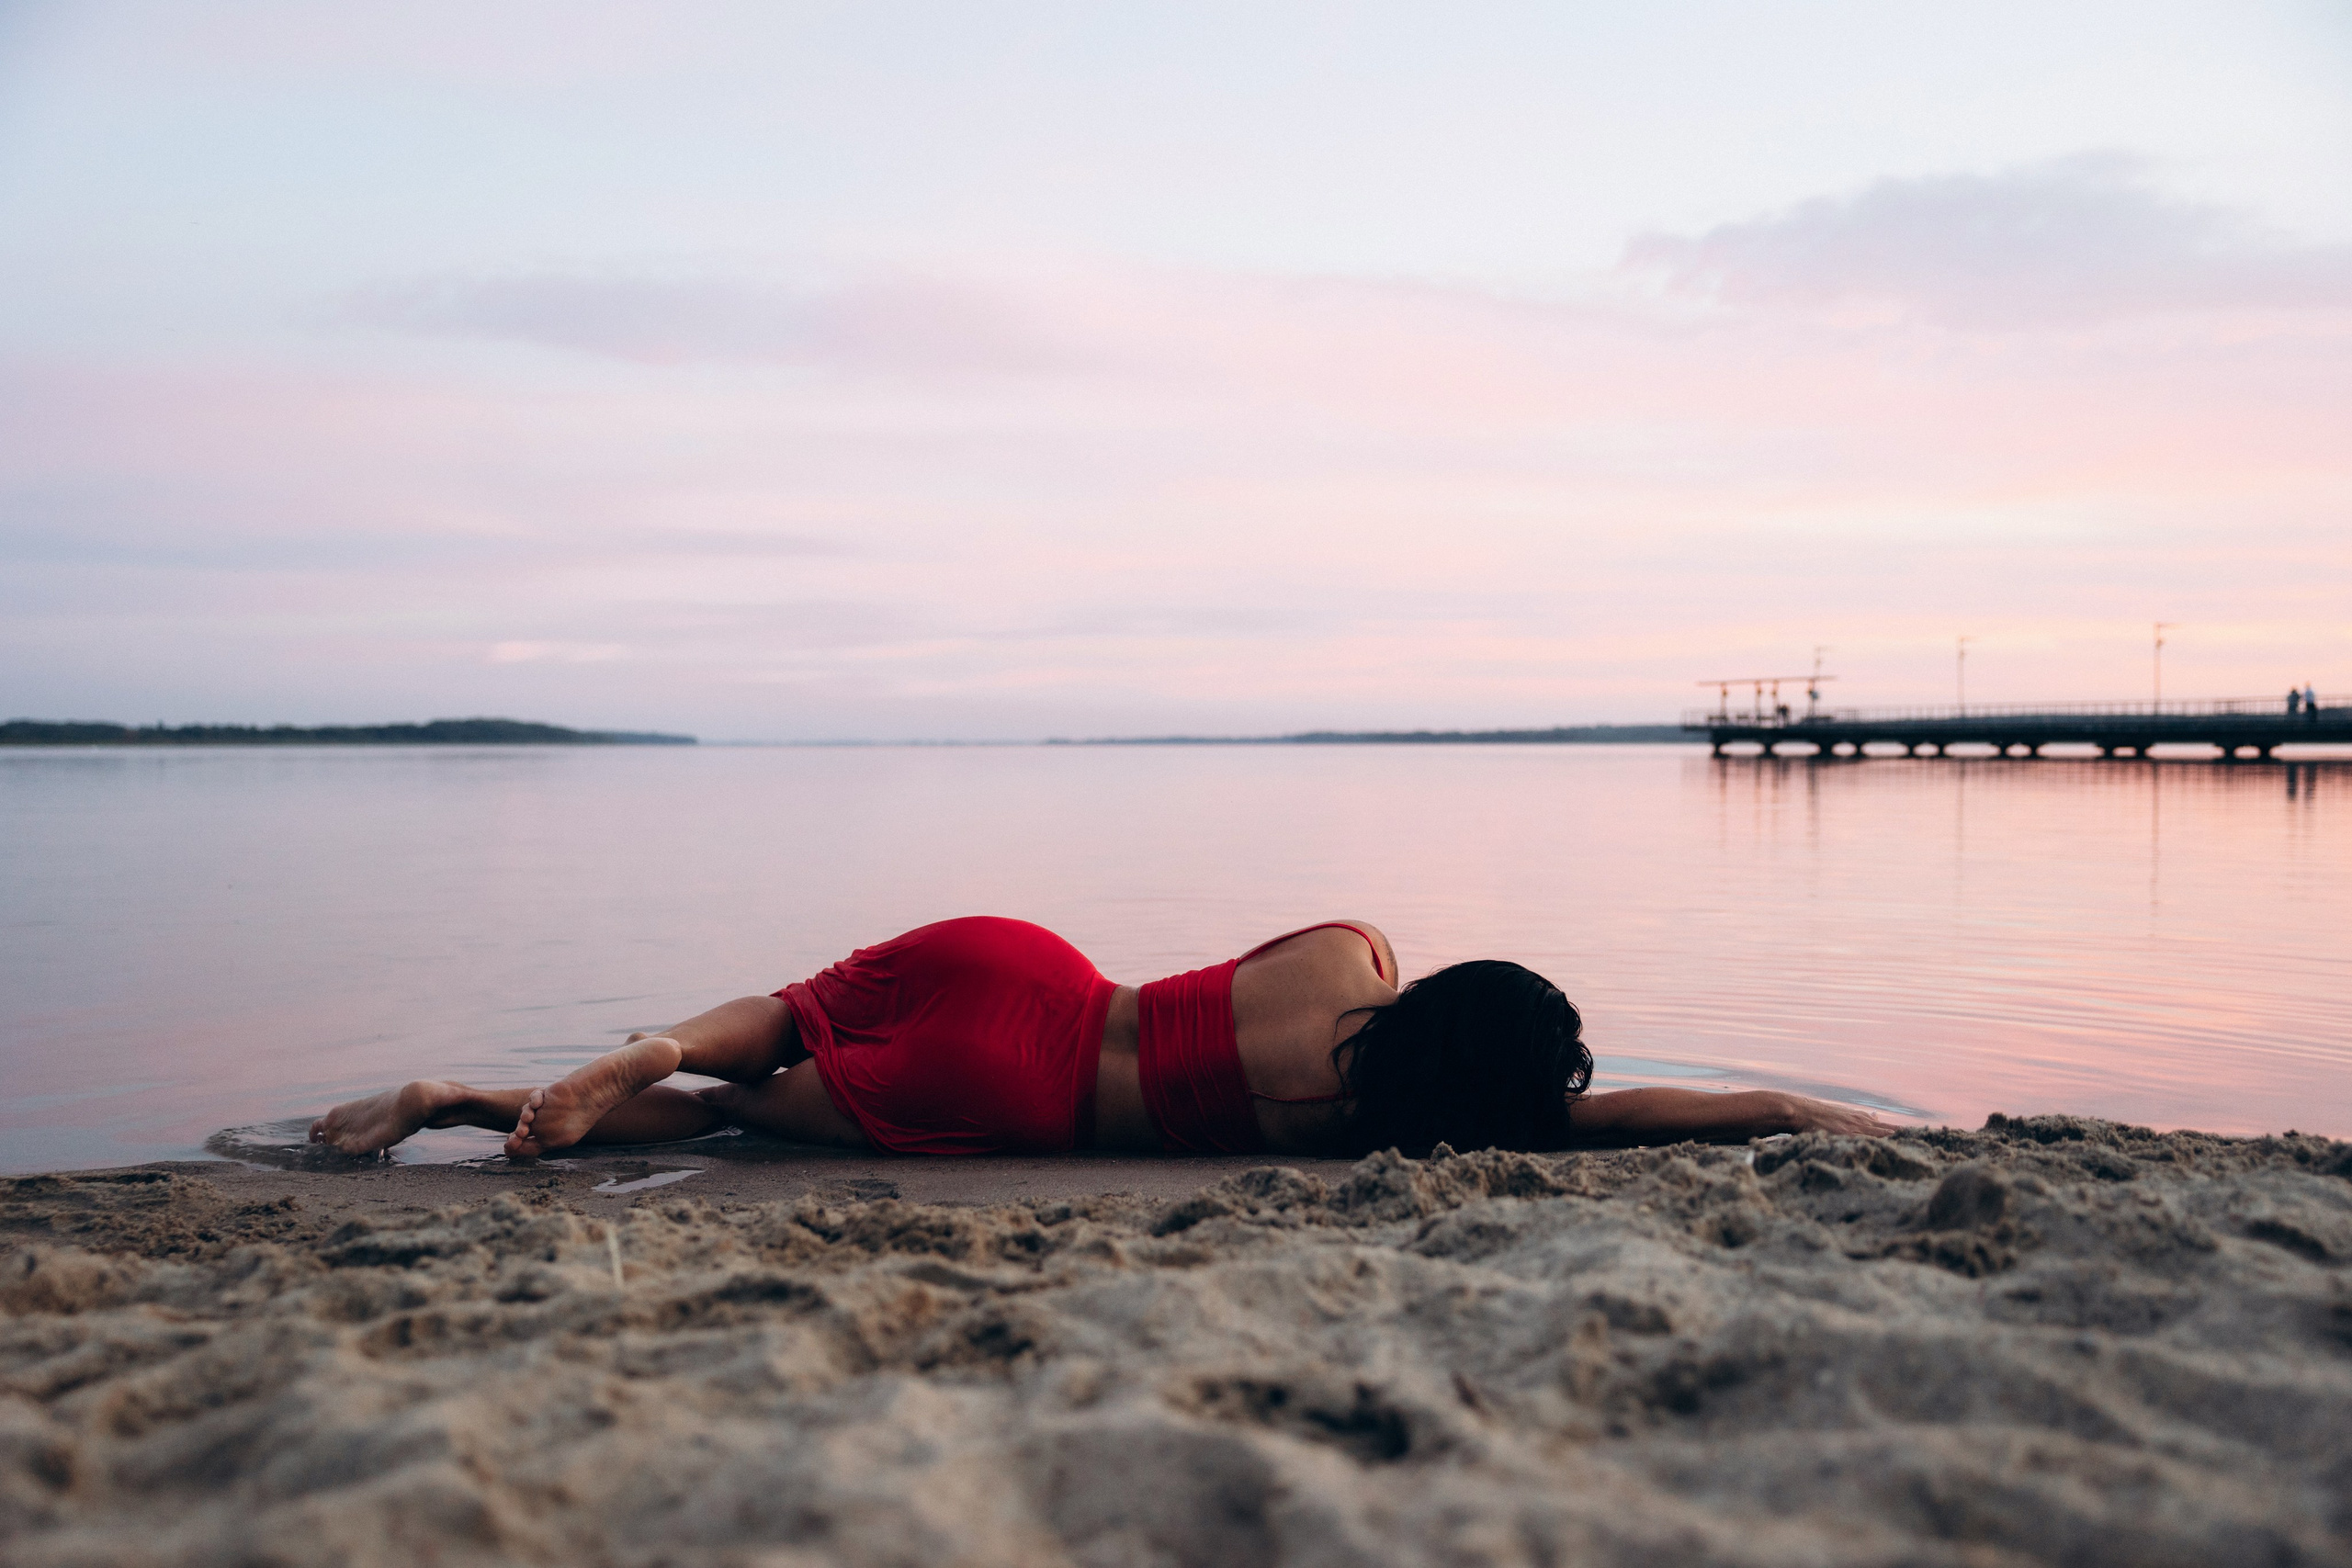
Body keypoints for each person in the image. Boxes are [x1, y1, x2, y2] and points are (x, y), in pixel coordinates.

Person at [309, 917, 1894, 1160]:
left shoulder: (1351, 952)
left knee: (788, 1015)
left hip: (1036, 974)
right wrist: (1855, 1126)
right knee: (742, 1120)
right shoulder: (1384, 1129)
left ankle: (658, 1038)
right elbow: (1707, 1109)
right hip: (1030, 1097)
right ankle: (457, 1101)